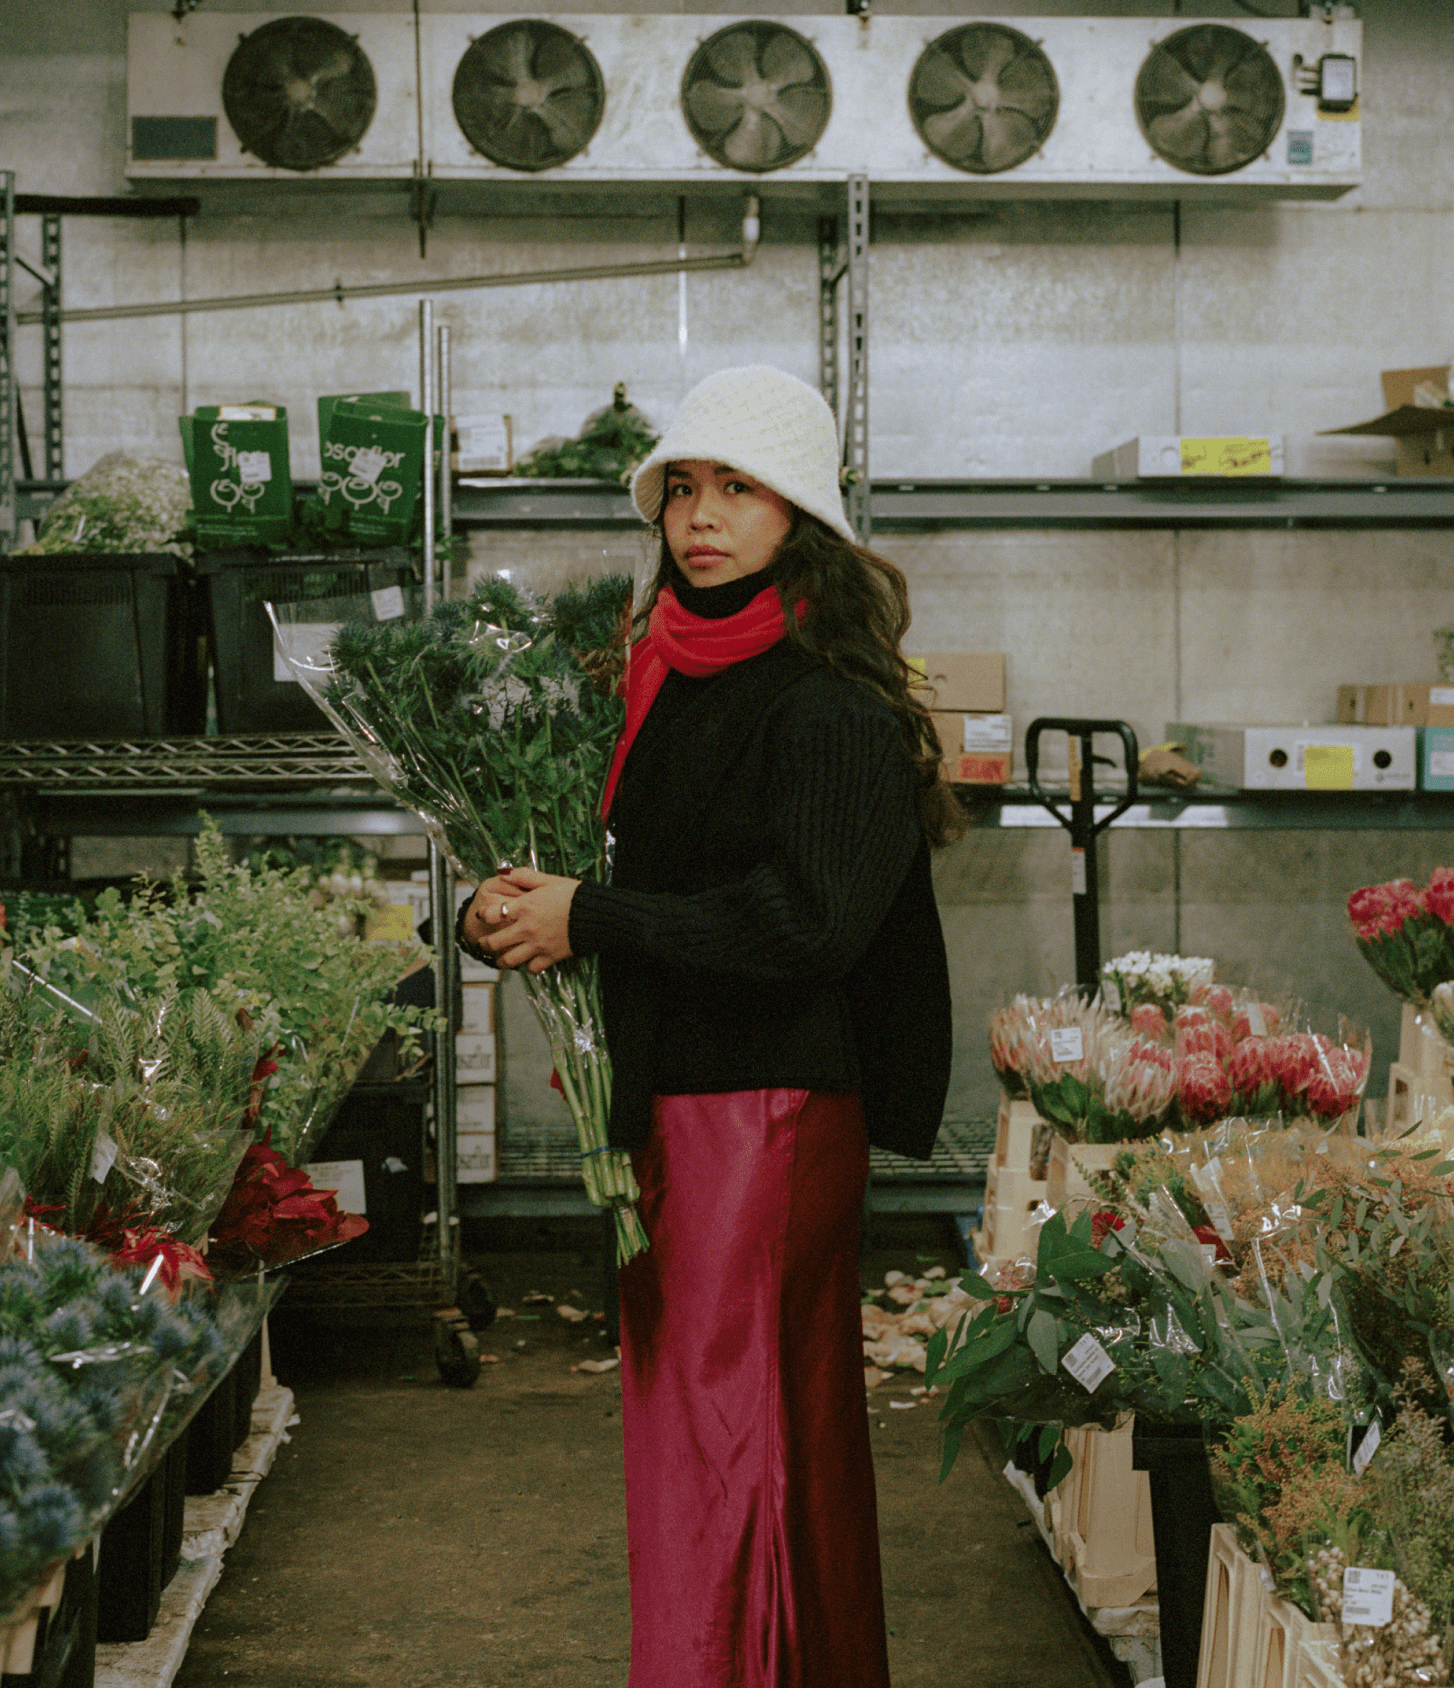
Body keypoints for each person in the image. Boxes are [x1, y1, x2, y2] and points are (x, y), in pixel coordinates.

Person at [461, 365, 958, 1688]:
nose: (701, 515)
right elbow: (619, 870)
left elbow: (808, 925)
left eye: (738, 487)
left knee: (727, 1442)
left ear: (800, 514)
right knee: (735, 1437)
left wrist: (592, 918)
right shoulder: (654, 680)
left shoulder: (830, 705)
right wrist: (507, 908)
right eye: (682, 487)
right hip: (675, 1101)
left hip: (767, 1115)